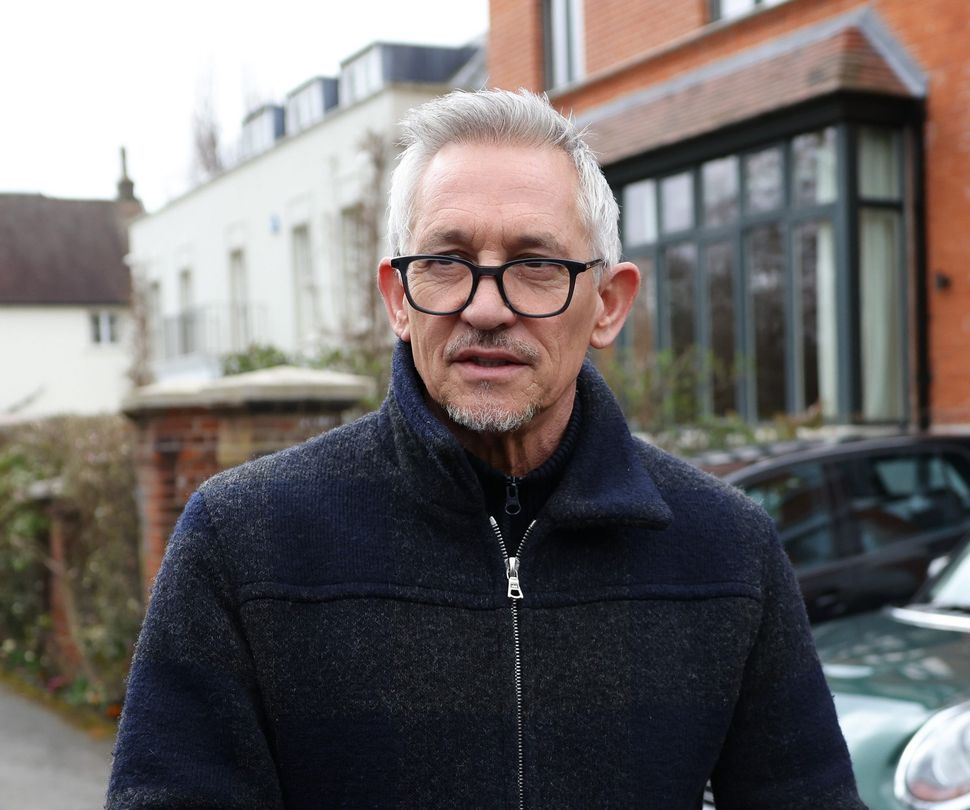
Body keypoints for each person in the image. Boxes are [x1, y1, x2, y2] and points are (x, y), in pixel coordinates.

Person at [107, 89, 866, 809]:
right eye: (446, 261)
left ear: (608, 303)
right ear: (399, 298)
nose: (487, 306)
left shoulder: (726, 551)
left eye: (536, 264)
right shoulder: (245, 544)